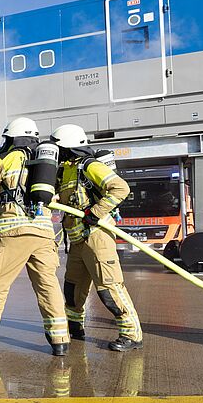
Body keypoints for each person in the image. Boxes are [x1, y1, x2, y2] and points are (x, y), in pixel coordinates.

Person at [0, 117, 70, 356]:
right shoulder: (47, 162)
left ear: (12, 138)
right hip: (43, 232)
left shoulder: (9, 158)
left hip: (13, 232)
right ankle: (61, 340)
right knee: (48, 286)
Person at [52, 124, 142, 351]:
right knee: (73, 290)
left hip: (97, 237)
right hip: (76, 242)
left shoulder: (89, 166)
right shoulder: (65, 171)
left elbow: (120, 188)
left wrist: (96, 212)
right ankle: (75, 327)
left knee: (109, 289)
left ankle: (131, 334)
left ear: (68, 148)